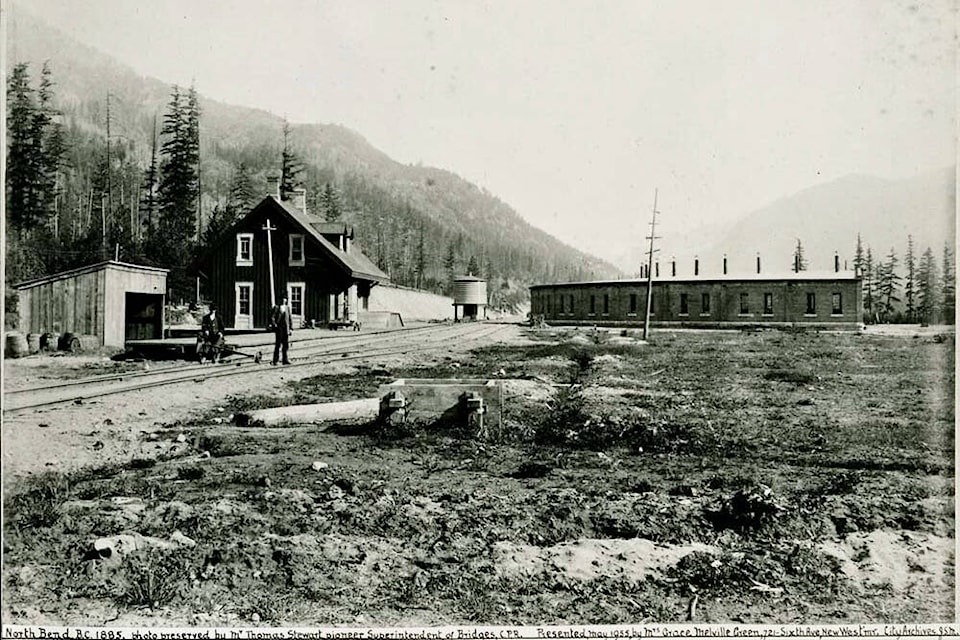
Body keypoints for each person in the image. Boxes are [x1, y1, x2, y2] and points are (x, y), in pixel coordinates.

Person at [270, 296, 293, 365]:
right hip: (279, 328)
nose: (284, 300)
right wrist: (275, 324)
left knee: (285, 345)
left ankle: (285, 360)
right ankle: (275, 360)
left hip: (286, 328)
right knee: (278, 344)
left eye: (285, 299)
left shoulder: (287, 308)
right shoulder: (276, 307)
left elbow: (289, 319)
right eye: (282, 299)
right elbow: (272, 317)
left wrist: (291, 328)